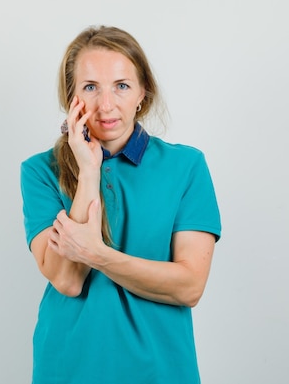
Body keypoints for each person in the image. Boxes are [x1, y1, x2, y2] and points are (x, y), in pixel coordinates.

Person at [19, 25, 221, 384]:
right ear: (72, 96)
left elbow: (189, 286)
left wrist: (96, 254)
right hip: (67, 368)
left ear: (143, 92)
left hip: (160, 370)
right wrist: (88, 171)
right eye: (90, 87)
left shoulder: (186, 167)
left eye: (122, 86)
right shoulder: (39, 171)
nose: (106, 105)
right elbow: (67, 280)